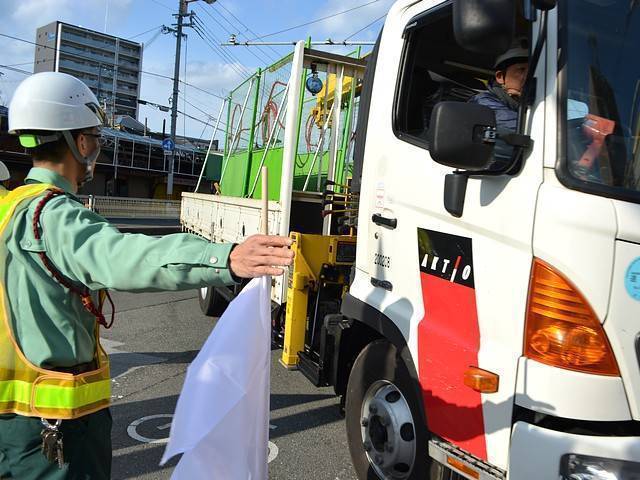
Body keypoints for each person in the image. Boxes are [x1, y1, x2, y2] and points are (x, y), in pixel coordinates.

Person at [0, 72, 293, 480]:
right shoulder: (53, 218)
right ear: (79, 143)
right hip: (55, 435)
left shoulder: (9, 207)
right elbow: (130, 256)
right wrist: (227, 258)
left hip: (12, 429)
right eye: (95, 138)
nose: (96, 149)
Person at [468, 44, 529, 131]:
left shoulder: (529, 101)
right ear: (500, 77)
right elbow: (522, 129)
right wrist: (525, 103)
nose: (528, 76)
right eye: (521, 70)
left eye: (533, 71)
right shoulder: (483, 102)